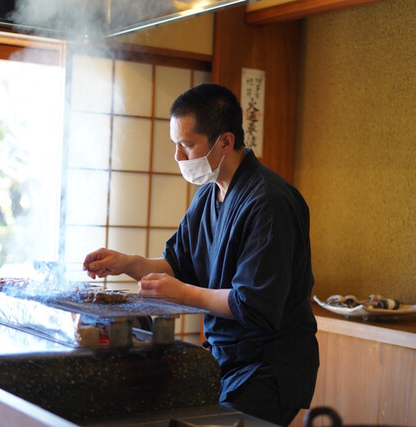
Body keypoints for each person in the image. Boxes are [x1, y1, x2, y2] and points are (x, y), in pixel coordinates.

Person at [83, 83, 319, 426]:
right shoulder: (208, 196)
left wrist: (182, 294)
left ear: (225, 142)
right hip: (227, 359)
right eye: (175, 144)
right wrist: (128, 263)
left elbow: (253, 304)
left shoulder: (269, 201)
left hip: (269, 366)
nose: (178, 156)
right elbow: (178, 265)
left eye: (187, 144)